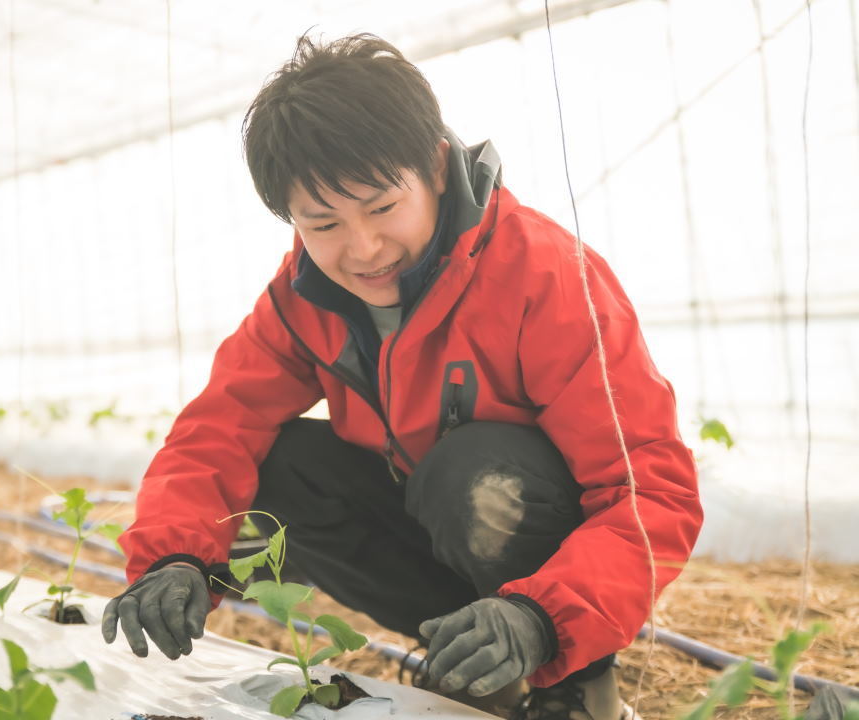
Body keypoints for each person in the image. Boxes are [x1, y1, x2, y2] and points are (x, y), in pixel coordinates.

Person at [102, 33, 702, 720]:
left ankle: (573, 683)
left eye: (383, 207)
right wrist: (172, 559)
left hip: (534, 549)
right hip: (425, 525)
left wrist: (541, 616)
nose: (363, 250)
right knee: (278, 469)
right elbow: (218, 428)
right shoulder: (301, 299)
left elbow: (649, 487)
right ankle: (469, 656)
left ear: (437, 169)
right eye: (322, 221)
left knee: (477, 476)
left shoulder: (542, 278)